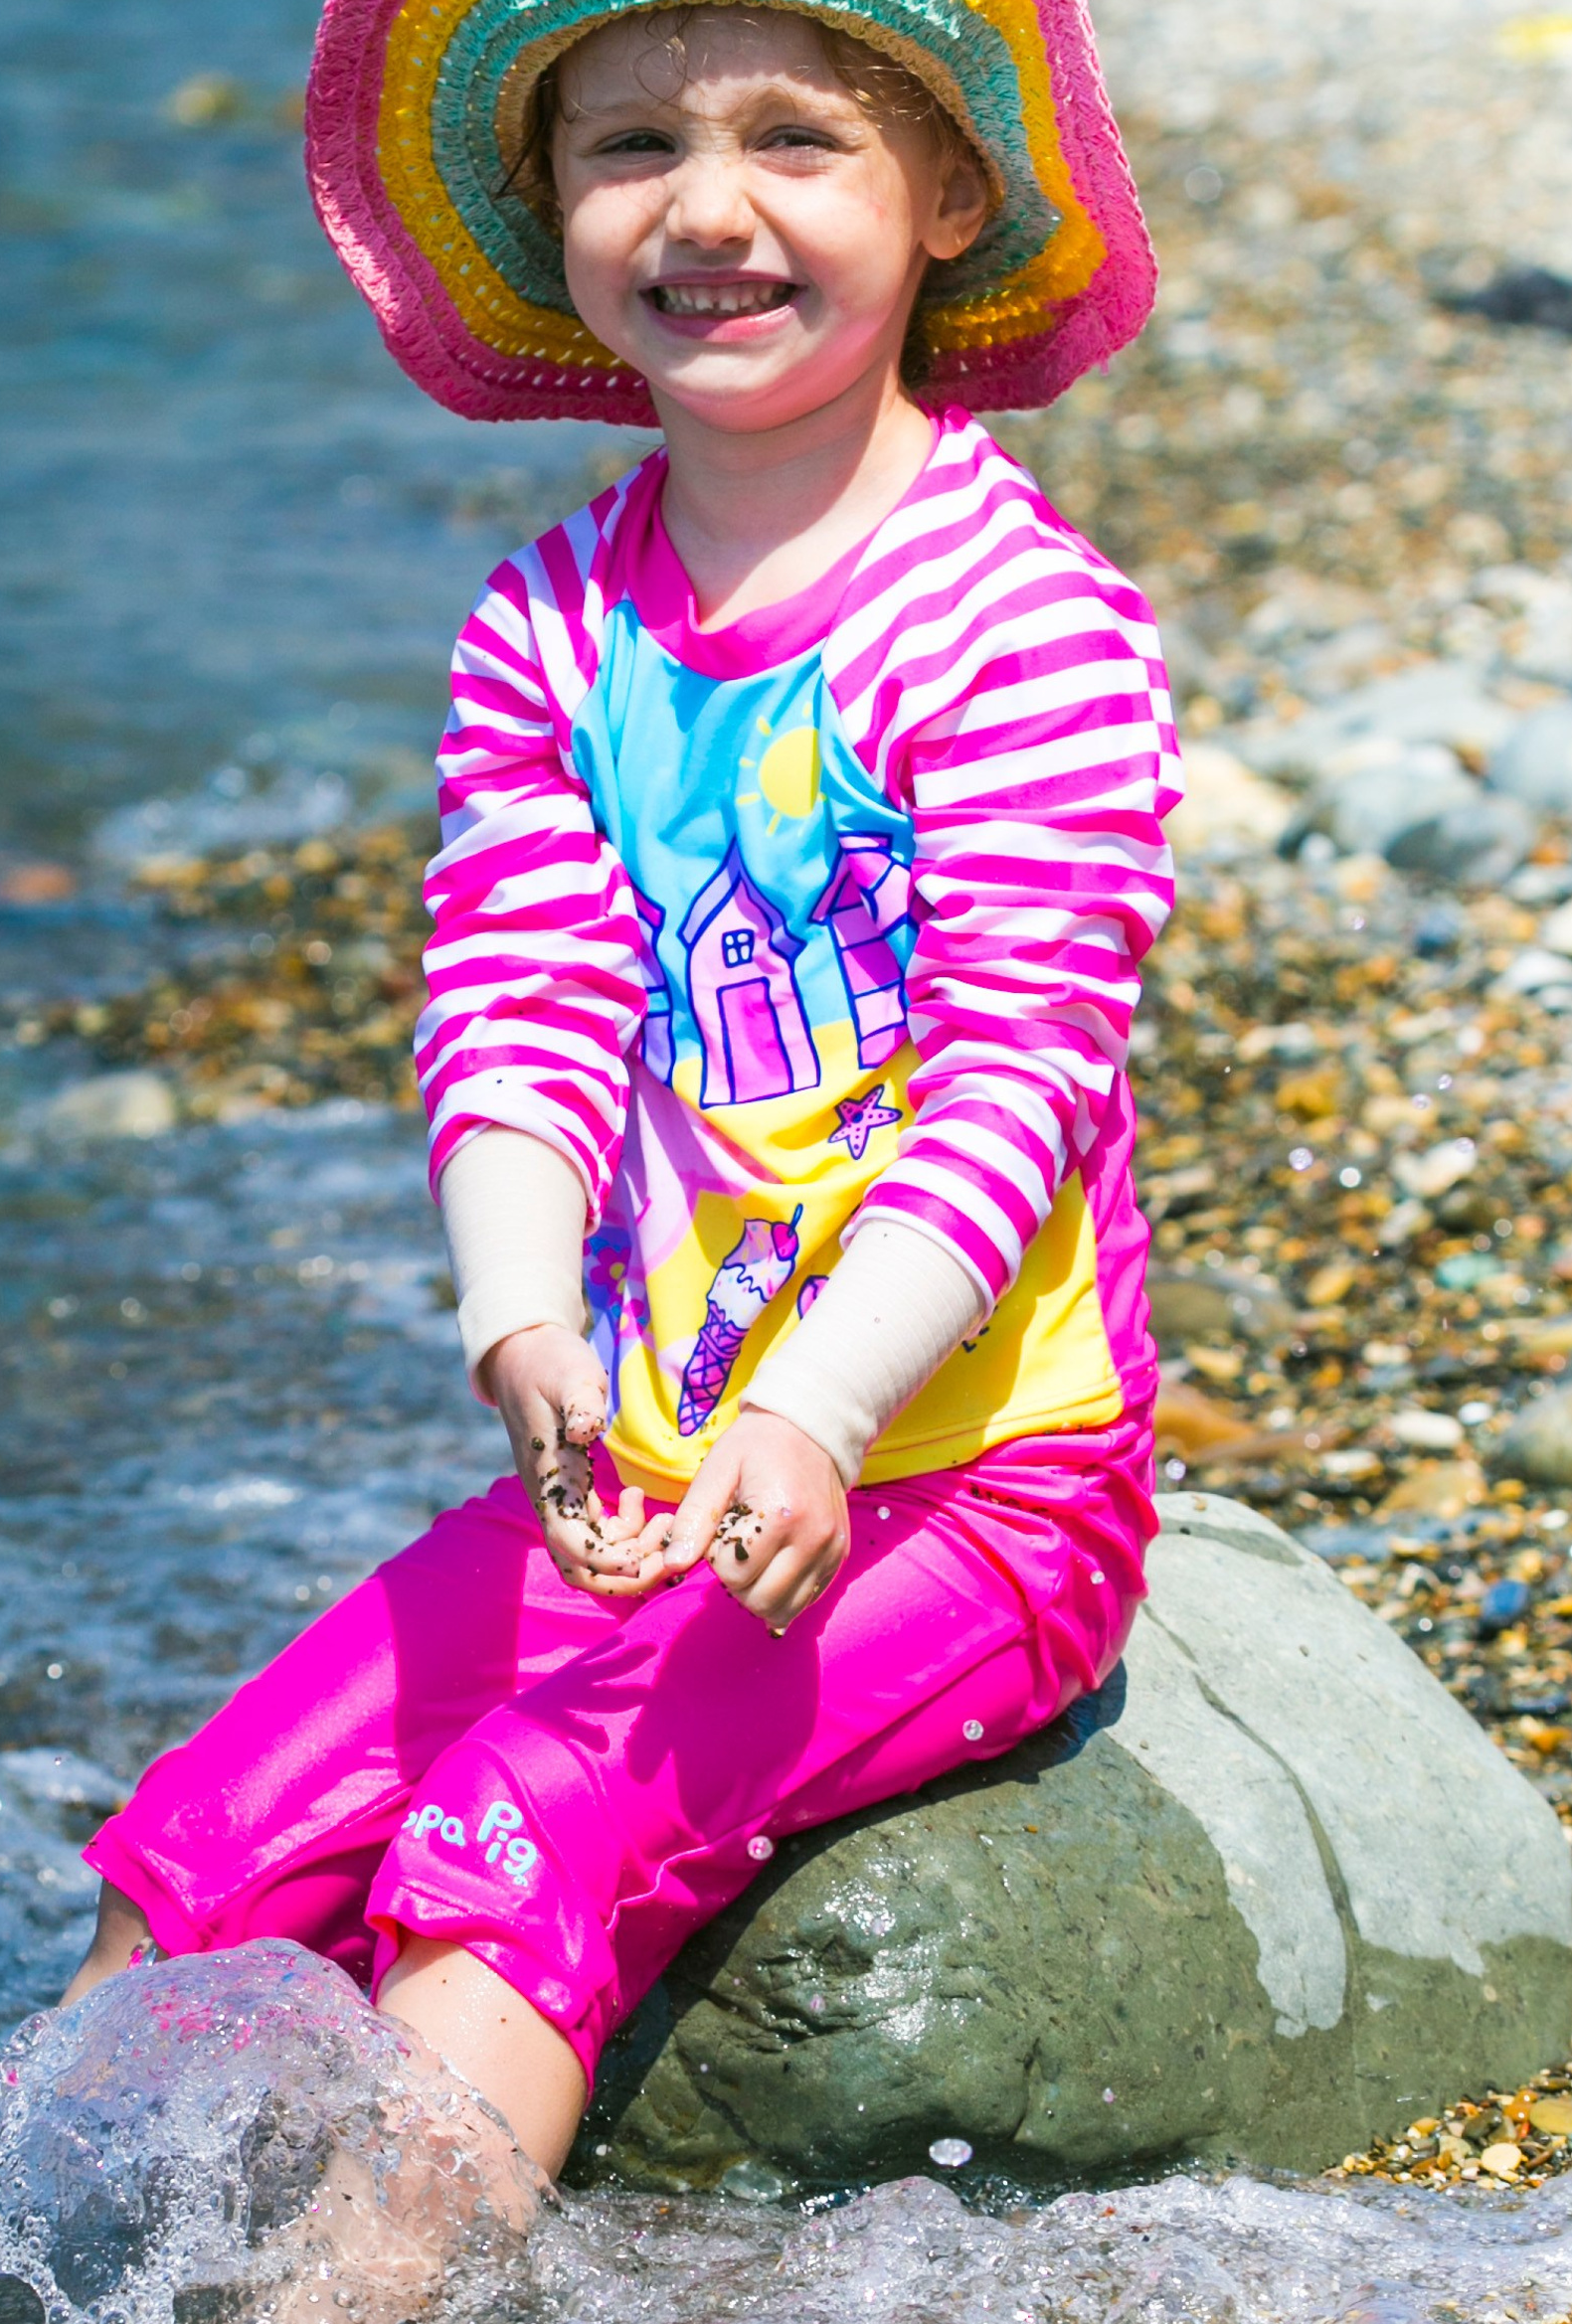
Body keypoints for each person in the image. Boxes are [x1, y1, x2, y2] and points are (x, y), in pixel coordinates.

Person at [66, 0, 1181, 2196]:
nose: (706, 209)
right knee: (200, 1844)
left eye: (795, 140)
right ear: (553, 209)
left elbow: (1015, 1077)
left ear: (950, 196)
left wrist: (821, 1408)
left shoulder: (1021, 623)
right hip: (648, 1457)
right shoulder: (551, 620)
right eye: (633, 146)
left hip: (972, 1481)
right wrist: (520, 1323)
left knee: (519, 1819)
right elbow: (519, 1007)